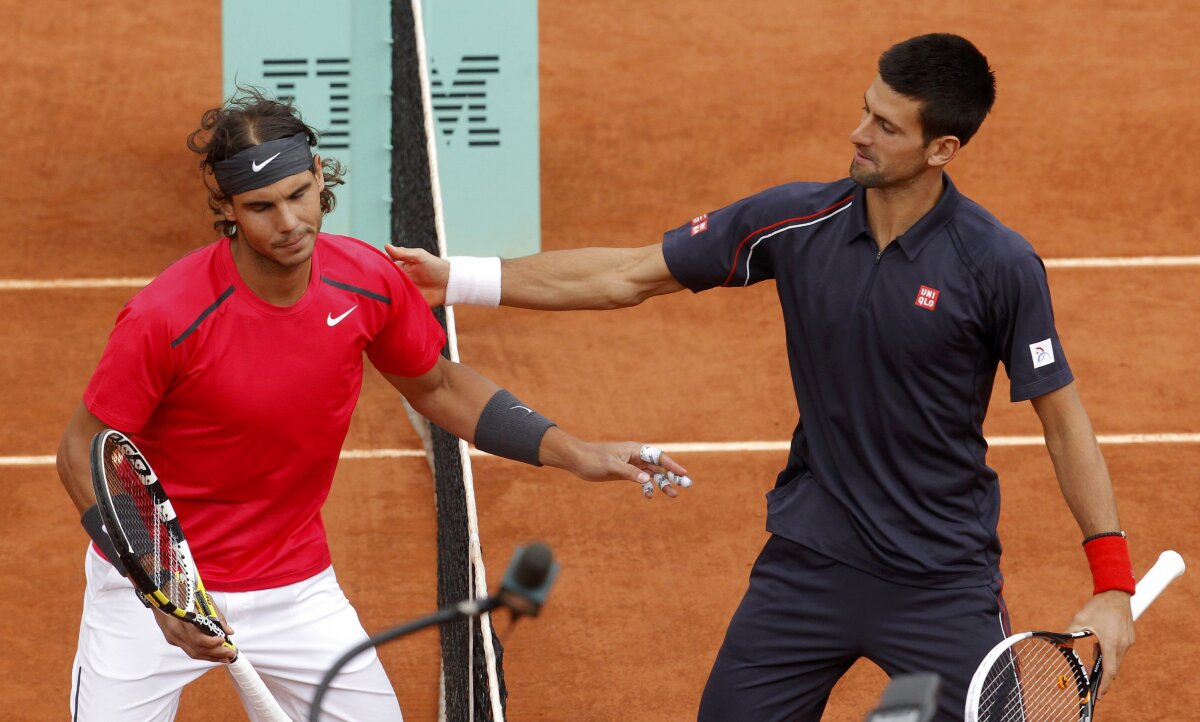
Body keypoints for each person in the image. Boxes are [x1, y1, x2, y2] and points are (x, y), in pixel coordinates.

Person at [388, 33, 1137, 721]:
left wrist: (1111, 585)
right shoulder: (795, 223)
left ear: (942, 148)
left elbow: (1063, 422)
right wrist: (455, 277)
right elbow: (626, 275)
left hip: (939, 581)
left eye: (886, 126)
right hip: (810, 562)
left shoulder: (998, 266)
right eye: (864, 111)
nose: (859, 134)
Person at [56, 90, 690, 721]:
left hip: (292, 584)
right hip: (156, 586)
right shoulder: (166, 315)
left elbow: (438, 386)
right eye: (260, 206)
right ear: (224, 207)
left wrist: (574, 452)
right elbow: (81, 452)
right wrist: (158, 590)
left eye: (299, 194)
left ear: (319, 178)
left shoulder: (365, 280)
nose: (288, 223)